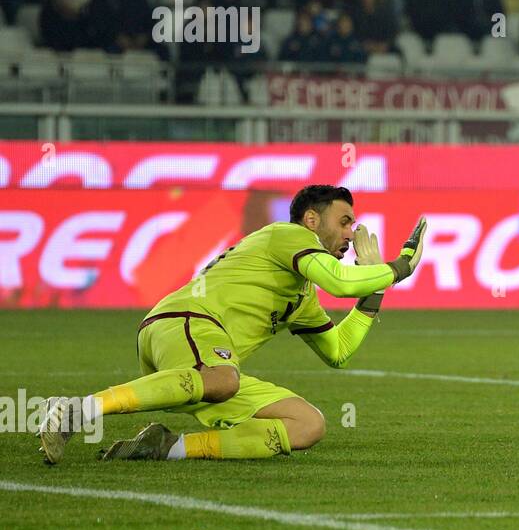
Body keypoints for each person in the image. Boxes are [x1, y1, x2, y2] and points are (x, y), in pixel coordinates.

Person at [37, 187, 428, 463]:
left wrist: (374, 290)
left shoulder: (302, 296)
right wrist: (397, 268)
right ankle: (77, 410)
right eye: (344, 221)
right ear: (312, 219)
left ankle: (167, 448)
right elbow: (340, 283)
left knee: (306, 425)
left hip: (206, 362)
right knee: (225, 378)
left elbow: (338, 351)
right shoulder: (287, 234)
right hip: (183, 320)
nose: (351, 232)